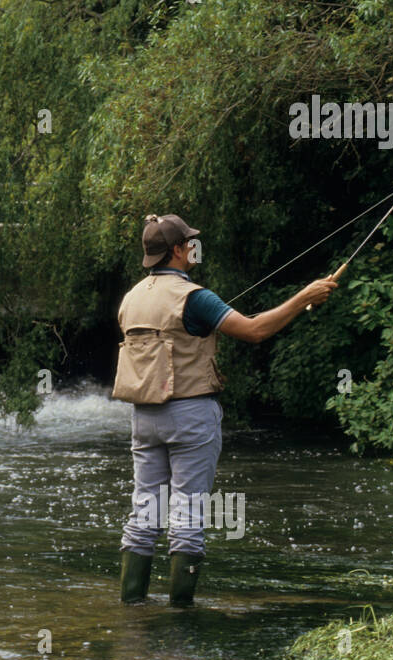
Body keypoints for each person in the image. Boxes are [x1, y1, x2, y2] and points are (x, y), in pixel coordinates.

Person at [111, 214, 338, 606]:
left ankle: (133, 610)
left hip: (144, 419)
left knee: (145, 513)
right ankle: (181, 618)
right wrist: (304, 298)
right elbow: (254, 331)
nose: (194, 248)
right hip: (190, 416)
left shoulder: (130, 298)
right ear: (179, 250)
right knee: (189, 517)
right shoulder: (194, 296)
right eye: (190, 243)